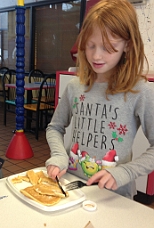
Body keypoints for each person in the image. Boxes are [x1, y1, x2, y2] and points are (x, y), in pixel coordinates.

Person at [45, 0, 154, 199]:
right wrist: (59, 155)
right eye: (90, 45)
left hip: (115, 196)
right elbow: (55, 128)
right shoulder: (74, 87)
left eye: (108, 47)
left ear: (127, 45)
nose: (96, 55)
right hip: (70, 187)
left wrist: (125, 171)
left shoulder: (140, 91)